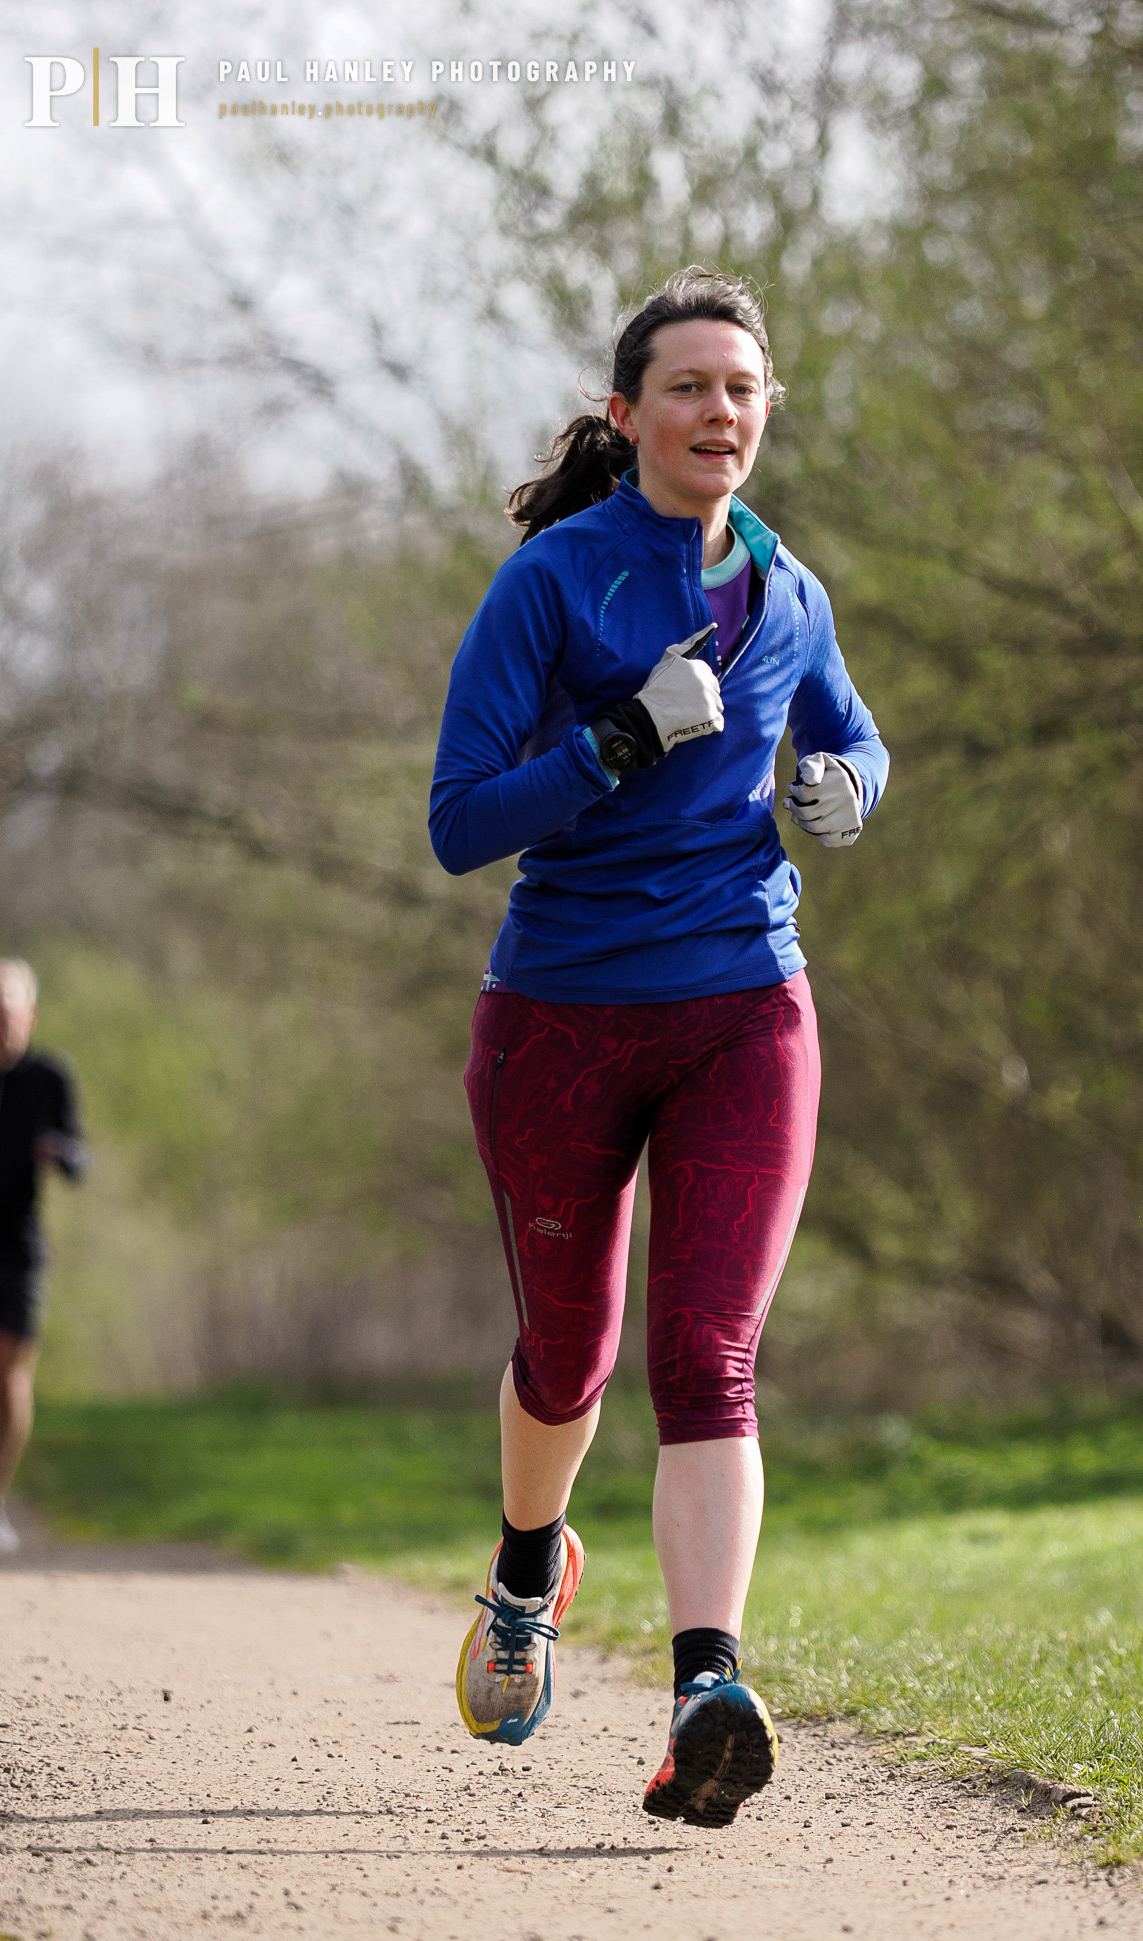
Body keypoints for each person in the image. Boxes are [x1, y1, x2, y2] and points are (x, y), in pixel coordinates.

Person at [429, 266, 887, 1829]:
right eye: (687, 387)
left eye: (742, 389)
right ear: (626, 419)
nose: (719, 413)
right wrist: (620, 738)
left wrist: (849, 790)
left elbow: (851, 730)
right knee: (570, 1356)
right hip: (559, 1013)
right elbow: (459, 820)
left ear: (767, 415)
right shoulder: (553, 584)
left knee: (713, 1358)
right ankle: (521, 1574)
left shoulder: (793, 591)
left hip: (745, 1000)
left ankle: (708, 1687)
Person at [0, 959, 88, 1555]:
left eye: (10, 1016)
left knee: (7, 1380)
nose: (0, 1027)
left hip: (19, 1250)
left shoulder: (49, 1077)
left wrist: (61, 1154)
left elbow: (79, 1153)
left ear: (31, 1016)